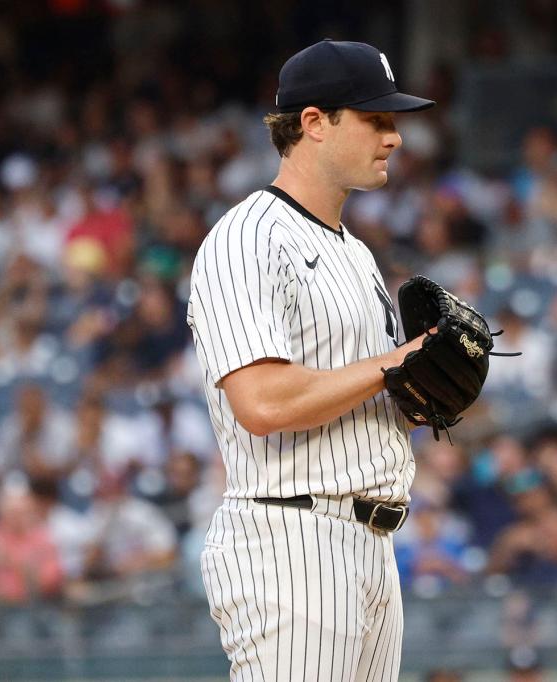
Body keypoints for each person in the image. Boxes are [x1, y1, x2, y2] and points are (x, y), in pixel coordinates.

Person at [186, 40, 435, 681]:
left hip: (370, 543)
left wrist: (419, 397)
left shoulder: (355, 252)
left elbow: (354, 395)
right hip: (290, 541)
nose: (394, 137)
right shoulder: (246, 238)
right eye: (375, 119)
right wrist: (397, 363)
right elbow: (262, 404)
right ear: (314, 123)